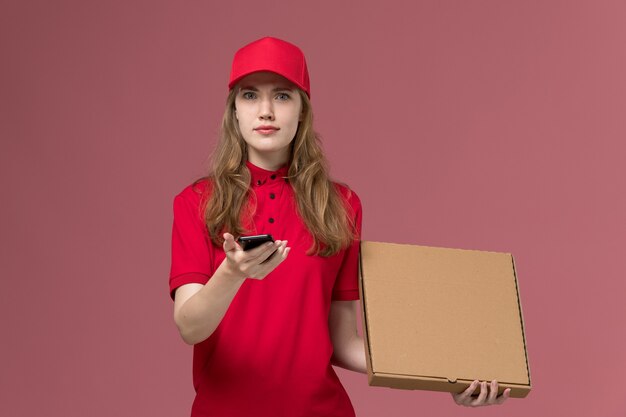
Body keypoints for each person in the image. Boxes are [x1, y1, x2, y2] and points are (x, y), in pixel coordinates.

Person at [169, 36, 510, 417]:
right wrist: (231, 274)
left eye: (282, 96)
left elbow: (342, 340)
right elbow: (190, 327)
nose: (265, 110)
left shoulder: (340, 206)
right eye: (250, 96)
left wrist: (448, 374)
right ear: (233, 111)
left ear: (302, 111)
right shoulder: (197, 202)